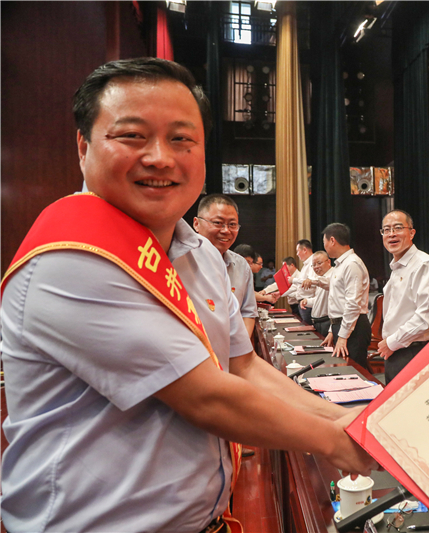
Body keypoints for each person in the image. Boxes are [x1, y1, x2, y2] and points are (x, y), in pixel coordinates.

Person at [0, 57, 375, 533]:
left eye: (181, 139)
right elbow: (206, 397)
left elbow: (242, 366)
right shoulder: (71, 255)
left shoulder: (200, 254)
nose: (160, 158)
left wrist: (345, 419)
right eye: (132, 136)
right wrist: (337, 441)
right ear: (83, 146)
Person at [376, 210, 429, 384]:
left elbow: (426, 316)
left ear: (411, 233)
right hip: (395, 350)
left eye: (398, 228)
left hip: (412, 352)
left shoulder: (423, 264)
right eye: (386, 230)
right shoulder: (397, 266)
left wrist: (392, 342)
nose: (391, 234)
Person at [193, 194, 259, 337]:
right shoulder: (181, 261)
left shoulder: (241, 266)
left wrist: (239, 346)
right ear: (196, 224)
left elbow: (248, 312)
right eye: (218, 223)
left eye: (232, 224)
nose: (226, 230)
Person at [317, 223, 371, 369]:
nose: (324, 247)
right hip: (342, 326)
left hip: (354, 327)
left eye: (324, 242)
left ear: (332, 240)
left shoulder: (352, 264)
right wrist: (332, 330)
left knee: (355, 372)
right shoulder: (340, 264)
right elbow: (337, 301)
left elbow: (352, 304)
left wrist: (343, 336)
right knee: (344, 370)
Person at [283, 239, 317, 324]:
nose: (297, 254)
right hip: (303, 303)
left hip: (308, 302)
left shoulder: (313, 262)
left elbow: (311, 282)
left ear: (305, 250)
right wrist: (280, 293)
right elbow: (298, 286)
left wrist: (293, 280)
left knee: (308, 329)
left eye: (298, 251)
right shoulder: (305, 265)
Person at [300, 251, 333, 336]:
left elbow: (327, 282)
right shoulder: (320, 277)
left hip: (327, 322)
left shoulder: (333, 274)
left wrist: (312, 281)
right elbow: (320, 300)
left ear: (328, 262)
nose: (316, 267)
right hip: (318, 322)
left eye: (319, 263)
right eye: (314, 265)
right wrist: (308, 301)